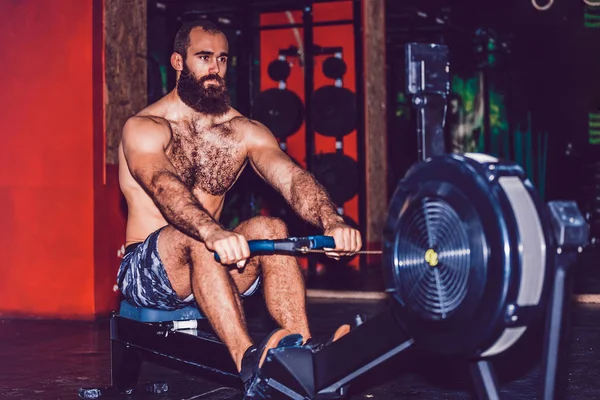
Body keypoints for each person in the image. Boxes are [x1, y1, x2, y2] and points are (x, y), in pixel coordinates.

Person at [116, 19, 362, 395]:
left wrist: (332, 221)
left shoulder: (243, 131)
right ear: (179, 62)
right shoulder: (145, 126)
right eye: (203, 57)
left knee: (271, 228)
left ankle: (303, 350)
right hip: (148, 272)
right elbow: (162, 186)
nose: (215, 68)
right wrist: (212, 230)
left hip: (213, 262)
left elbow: (291, 178)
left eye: (222, 59)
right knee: (197, 235)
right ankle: (250, 365)